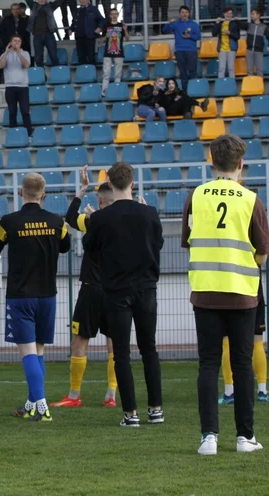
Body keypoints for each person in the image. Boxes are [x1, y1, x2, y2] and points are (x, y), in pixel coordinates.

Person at [182, 135, 269, 456]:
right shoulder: (250, 199)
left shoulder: (196, 195)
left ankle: (209, 438)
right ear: (241, 164)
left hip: (205, 291)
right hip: (242, 293)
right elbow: (262, 253)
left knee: (207, 364)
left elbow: (190, 241)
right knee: (242, 365)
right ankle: (245, 437)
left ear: (212, 161)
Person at [81, 163, 164, 427]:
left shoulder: (102, 218)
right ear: (133, 184)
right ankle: (156, 409)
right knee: (149, 348)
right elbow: (158, 243)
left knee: (121, 352)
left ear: (108, 181)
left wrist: (95, 222)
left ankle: (131, 414)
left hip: (117, 291)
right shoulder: (150, 213)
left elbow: (89, 248)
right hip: (146, 288)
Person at [0, 172, 70, 421]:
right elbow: (65, 247)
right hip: (47, 296)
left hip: (20, 296)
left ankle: (42, 407)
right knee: (38, 352)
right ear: (43, 194)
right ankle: (31, 404)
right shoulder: (57, 222)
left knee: (27, 353)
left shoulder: (8, 221)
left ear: (21, 193)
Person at [55, 168, 118, 409]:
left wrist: (81, 190)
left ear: (100, 200)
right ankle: (111, 394)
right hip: (115, 289)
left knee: (80, 340)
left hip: (92, 289)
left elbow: (70, 217)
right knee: (114, 342)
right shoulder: (125, 220)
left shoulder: (92, 221)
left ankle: (74, 394)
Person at [0, 35, 32, 137]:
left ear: (21, 44)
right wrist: (6, 52)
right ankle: (13, 134)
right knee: (12, 111)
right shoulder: (5, 54)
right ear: (10, 43)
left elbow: (26, 65)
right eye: (14, 41)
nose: (16, 43)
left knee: (25, 111)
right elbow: (0, 65)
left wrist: (18, 53)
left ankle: (29, 134)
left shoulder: (25, 53)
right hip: (10, 86)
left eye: (18, 41)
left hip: (23, 87)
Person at [163, 6, 201, 91]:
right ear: (180, 14)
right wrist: (169, 23)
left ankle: (194, 91)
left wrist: (190, 36)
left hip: (191, 51)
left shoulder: (194, 24)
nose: (184, 14)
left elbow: (198, 36)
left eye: (186, 12)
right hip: (180, 51)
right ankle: (185, 92)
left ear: (189, 13)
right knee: (183, 73)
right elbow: (165, 30)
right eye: (182, 12)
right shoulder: (176, 24)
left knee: (192, 72)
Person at [24, 0, 59, 68]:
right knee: (38, 58)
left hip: (49, 35)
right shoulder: (34, 5)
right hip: (37, 36)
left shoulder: (51, 6)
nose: (42, 0)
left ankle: (57, 75)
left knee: (53, 56)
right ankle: (41, 77)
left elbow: (59, 1)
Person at [100, 8, 127, 96]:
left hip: (119, 52)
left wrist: (125, 30)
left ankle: (116, 91)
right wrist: (106, 36)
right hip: (108, 53)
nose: (114, 16)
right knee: (106, 73)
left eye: (116, 14)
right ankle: (104, 91)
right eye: (112, 14)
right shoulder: (106, 26)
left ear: (118, 15)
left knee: (117, 74)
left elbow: (127, 38)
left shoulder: (121, 25)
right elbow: (102, 40)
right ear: (110, 15)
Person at [71, 0, 102, 66]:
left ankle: (92, 75)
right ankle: (83, 76)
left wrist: (99, 28)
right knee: (81, 58)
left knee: (91, 57)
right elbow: (74, 23)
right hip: (79, 37)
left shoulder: (94, 9)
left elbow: (102, 20)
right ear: (79, 0)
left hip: (90, 37)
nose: (83, 0)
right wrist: (70, 29)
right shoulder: (77, 11)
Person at [212, 7, 241, 80]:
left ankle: (232, 84)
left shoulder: (234, 24)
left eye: (230, 13)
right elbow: (214, 33)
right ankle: (221, 85)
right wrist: (216, 24)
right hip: (222, 48)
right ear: (223, 14)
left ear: (232, 15)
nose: (228, 15)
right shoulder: (220, 23)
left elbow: (237, 36)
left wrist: (229, 33)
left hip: (231, 48)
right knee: (222, 68)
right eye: (227, 13)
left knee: (231, 68)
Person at [244, 8, 269, 76]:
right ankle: (250, 86)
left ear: (258, 15)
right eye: (251, 14)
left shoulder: (264, 27)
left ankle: (260, 85)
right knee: (249, 71)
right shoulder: (249, 25)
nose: (251, 15)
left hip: (259, 51)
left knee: (260, 71)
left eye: (253, 14)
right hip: (249, 50)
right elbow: (240, 25)